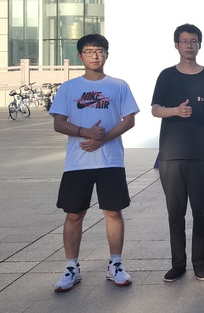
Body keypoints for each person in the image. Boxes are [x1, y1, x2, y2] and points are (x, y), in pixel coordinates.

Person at [50, 34, 139, 292]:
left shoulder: (119, 85)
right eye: (89, 51)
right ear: (80, 56)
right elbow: (58, 123)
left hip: (110, 161)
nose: (95, 55)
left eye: (99, 51)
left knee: (113, 212)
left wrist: (102, 139)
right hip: (77, 162)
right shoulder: (68, 88)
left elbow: (129, 120)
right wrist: (85, 132)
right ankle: (71, 267)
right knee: (74, 214)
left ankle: (115, 264)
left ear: (106, 54)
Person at [151, 24, 204, 282]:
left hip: (201, 153)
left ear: (199, 45)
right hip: (171, 154)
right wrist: (175, 111)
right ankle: (178, 264)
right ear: (176, 45)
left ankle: (199, 263)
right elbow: (155, 109)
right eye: (184, 41)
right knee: (175, 212)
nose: (189, 45)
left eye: (193, 41)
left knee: (200, 211)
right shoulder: (166, 76)